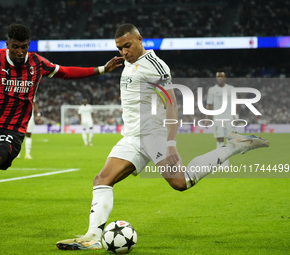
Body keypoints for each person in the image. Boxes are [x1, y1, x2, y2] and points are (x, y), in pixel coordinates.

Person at [56, 23, 269, 250]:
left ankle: (236, 145)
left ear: (140, 40)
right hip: (131, 136)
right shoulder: (128, 63)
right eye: (120, 48)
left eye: (127, 46)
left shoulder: (156, 67)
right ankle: (91, 238)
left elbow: (172, 105)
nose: (124, 52)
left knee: (181, 182)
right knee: (101, 180)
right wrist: (104, 69)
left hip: (154, 135)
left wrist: (170, 143)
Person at [0, 23, 123, 236]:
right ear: (8, 45)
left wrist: (102, 69)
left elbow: (67, 72)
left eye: (24, 47)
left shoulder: (37, 64)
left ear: (28, 45)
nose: (20, 52)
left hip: (12, 130)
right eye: (15, 47)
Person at [205, 71, 235, 167]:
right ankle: (222, 162)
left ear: (225, 78)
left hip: (230, 118)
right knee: (220, 139)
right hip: (218, 118)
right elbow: (209, 104)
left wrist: (235, 117)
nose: (220, 78)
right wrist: (206, 119)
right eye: (218, 76)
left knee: (230, 140)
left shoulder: (231, 89)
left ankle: (226, 159)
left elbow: (235, 104)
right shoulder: (212, 90)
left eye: (222, 76)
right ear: (216, 78)